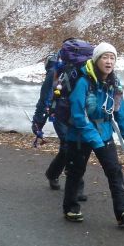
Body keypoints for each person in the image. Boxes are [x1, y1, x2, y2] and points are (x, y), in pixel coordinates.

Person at [61, 42, 124, 226]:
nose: (109, 61)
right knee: (76, 172)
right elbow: (78, 115)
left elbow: (120, 110)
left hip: (104, 133)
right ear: (96, 60)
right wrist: (93, 138)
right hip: (79, 136)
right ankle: (71, 208)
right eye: (105, 57)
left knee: (114, 171)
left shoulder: (114, 83)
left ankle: (123, 211)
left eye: (112, 58)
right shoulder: (83, 83)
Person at [32, 45, 82, 198]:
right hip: (59, 114)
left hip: (75, 114)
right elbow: (45, 99)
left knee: (68, 148)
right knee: (70, 147)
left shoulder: (79, 69)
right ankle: (77, 185)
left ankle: (52, 174)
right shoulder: (55, 73)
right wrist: (38, 123)